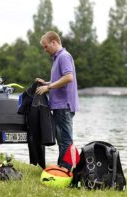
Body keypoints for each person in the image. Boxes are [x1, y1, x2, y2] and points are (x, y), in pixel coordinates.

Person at [35, 31, 79, 170]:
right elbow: (59, 80)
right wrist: (46, 83)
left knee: (65, 140)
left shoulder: (64, 57)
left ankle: (66, 169)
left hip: (64, 105)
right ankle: (63, 166)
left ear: (54, 42)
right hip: (60, 106)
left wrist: (49, 87)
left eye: (46, 46)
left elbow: (68, 78)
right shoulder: (57, 58)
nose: (45, 49)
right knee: (62, 139)